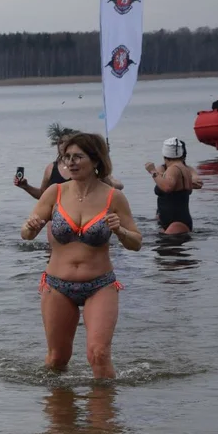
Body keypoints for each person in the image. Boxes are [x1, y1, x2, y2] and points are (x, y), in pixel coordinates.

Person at [20, 132, 142, 379]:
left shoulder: (113, 197)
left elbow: (136, 243)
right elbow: (26, 234)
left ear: (96, 161)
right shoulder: (55, 192)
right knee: (57, 358)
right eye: (67, 157)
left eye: (78, 157)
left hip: (100, 284)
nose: (71, 162)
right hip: (57, 285)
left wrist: (119, 230)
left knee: (98, 354)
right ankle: (60, 413)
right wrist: (30, 227)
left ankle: (104, 416)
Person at [16, 123, 124, 199]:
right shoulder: (51, 168)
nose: (64, 145)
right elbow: (43, 195)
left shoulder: (89, 167)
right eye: (61, 142)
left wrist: (104, 176)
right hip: (57, 221)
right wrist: (26, 186)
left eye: (67, 142)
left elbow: (118, 186)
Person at [145, 137, 203, 235]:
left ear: (164, 154)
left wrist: (152, 171)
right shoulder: (184, 169)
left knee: (164, 245)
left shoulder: (174, 169)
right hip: (175, 221)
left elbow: (167, 188)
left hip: (177, 222)